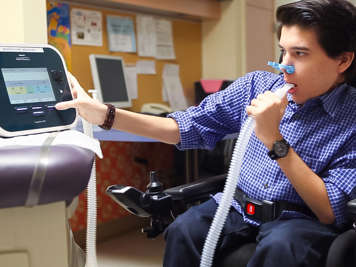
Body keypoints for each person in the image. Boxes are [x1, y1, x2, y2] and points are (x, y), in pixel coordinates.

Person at [56, 0, 356, 266]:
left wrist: (275, 141)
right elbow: (184, 126)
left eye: (300, 54)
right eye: (282, 51)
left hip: (301, 220)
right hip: (238, 205)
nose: (284, 67)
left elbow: (330, 210)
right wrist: (105, 115)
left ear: (343, 60)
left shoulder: (351, 118)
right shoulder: (255, 87)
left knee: (283, 249)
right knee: (184, 231)